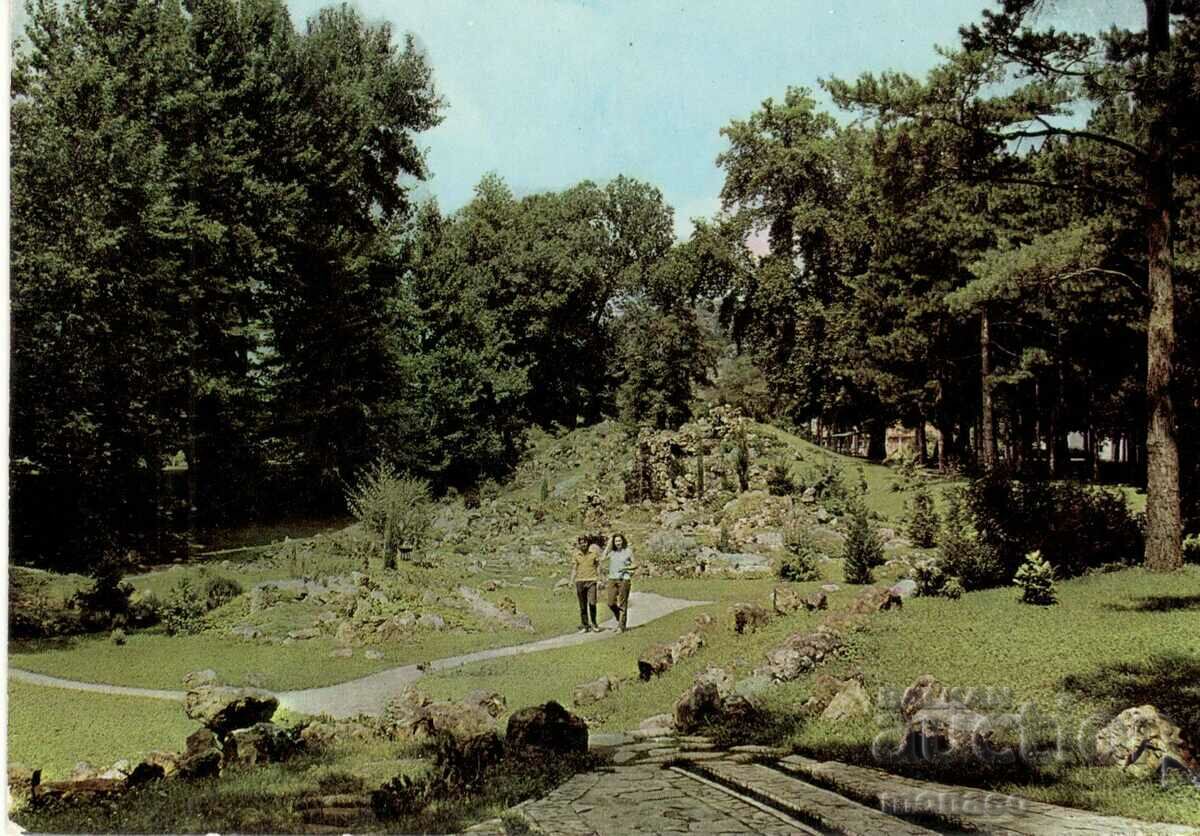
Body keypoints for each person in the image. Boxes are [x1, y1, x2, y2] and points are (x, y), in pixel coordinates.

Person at [605, 533, 635, 632]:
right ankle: (620, 619)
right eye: (616, 541)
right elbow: (603, 557)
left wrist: (625, 568)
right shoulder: (612, 552)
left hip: (624, 579)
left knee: (622, 603)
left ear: (623, 541)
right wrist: (609, 543)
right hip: (612, 579)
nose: (618, 543)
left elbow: (635, 565)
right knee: (610, 602)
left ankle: (621, 626)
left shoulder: (628, 551)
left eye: (619, 541)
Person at [569, 535, 600, 632]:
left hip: (591, 580)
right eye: (581, 542)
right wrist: (571, 580)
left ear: (588, 543)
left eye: (585, 542)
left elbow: (598, 566)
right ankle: (585, 625)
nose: (583, 544)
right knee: (582, 605)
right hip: (580, 581)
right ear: (579, 544)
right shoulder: (576, 554)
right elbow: (574, 568)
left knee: (592, 603)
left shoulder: (593, 553)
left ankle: (594, 623)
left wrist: (599, 578)